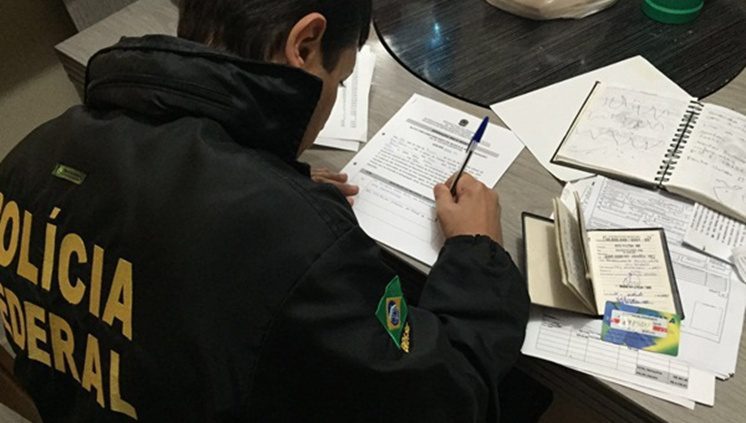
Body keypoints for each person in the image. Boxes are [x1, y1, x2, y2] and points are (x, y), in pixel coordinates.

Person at [0, 0, 529, 421]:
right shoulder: (296, 239)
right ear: (305, 44)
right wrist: (476, 253)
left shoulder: (30, 156)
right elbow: (443, 398)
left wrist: (257, 175)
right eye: (340, 80)